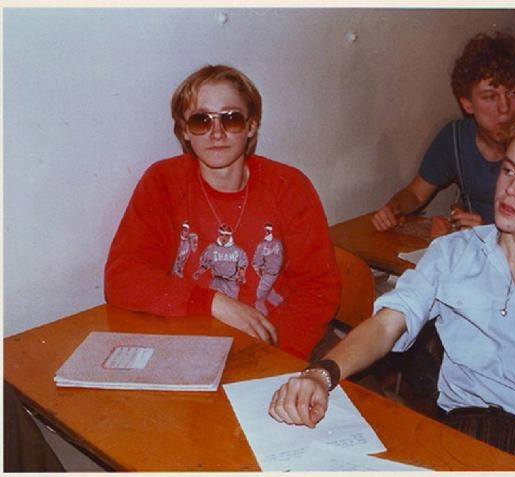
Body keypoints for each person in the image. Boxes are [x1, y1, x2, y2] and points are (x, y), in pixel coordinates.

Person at [268, 109, 515, 471]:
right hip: (463, 430)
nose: (511, 189)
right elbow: (386, 324)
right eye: (509, 170)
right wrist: (321, 374)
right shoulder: (453, 253)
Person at [104, 64, 341, 360]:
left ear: (251, 126)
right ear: (185, 131)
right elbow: (123, 277)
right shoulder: (163, 181)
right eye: (201, 120)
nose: (216, 133)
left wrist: (273, 357)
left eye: (231, 119)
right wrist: (213, 302)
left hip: (270, 344)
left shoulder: (289, 186)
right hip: (189, 343)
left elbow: (318, 288)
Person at [371, 32, 515, 233]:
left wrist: (489, 235)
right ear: (467, 104)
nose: (504, 107)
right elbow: (416, 194)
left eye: (513, 93)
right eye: (490, 97)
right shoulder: (455, 139)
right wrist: (393, 208)